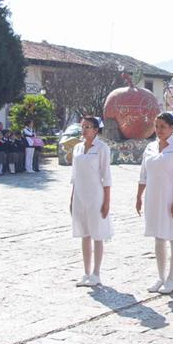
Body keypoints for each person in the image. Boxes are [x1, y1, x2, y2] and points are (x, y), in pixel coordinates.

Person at [136, 111, 173, 295]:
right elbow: (143, 174)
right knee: (158, 238)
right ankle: (160, 276)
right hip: (153, 199)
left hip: (171, 199)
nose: (159, 130)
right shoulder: (150, 147)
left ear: (171, 128)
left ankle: (172, 278)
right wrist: (139, 196)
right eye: (156, 126)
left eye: (163, 127)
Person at [70, 116, 112, 287]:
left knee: (97, 234)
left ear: (96, 130)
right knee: (84, 234)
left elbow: (106, 177)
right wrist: (72, 198)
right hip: (80, 196)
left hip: (96, 195)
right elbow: (74, 176)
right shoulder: (78, 148)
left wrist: (107, 202)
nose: (85, 129)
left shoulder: (102, 148)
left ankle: (96, 273)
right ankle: (86, 272)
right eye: (83, 126)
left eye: (88, 127)